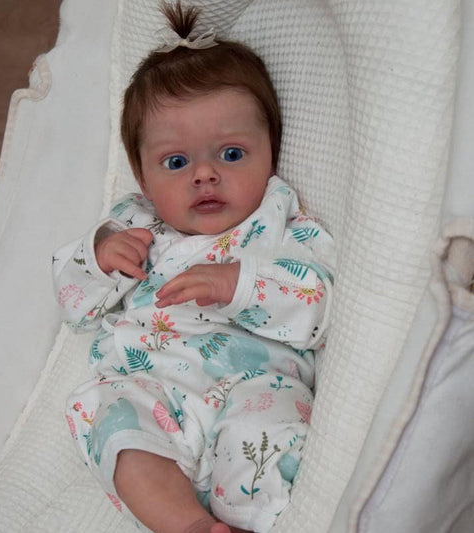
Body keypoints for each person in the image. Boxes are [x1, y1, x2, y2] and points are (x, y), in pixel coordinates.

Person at [53, 3, 335, 532]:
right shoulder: (133, 224)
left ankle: (253, 521)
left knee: (270, 436)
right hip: (153, 386)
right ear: (142, 175)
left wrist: (238, 284)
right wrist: (100, 258)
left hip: (254, 386)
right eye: (177, 163)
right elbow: (73, 304)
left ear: (271, 152)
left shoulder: (281, 223)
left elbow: (318, 303)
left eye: (232, 154)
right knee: (110, 417)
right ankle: (187, 524)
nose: (204, 175)